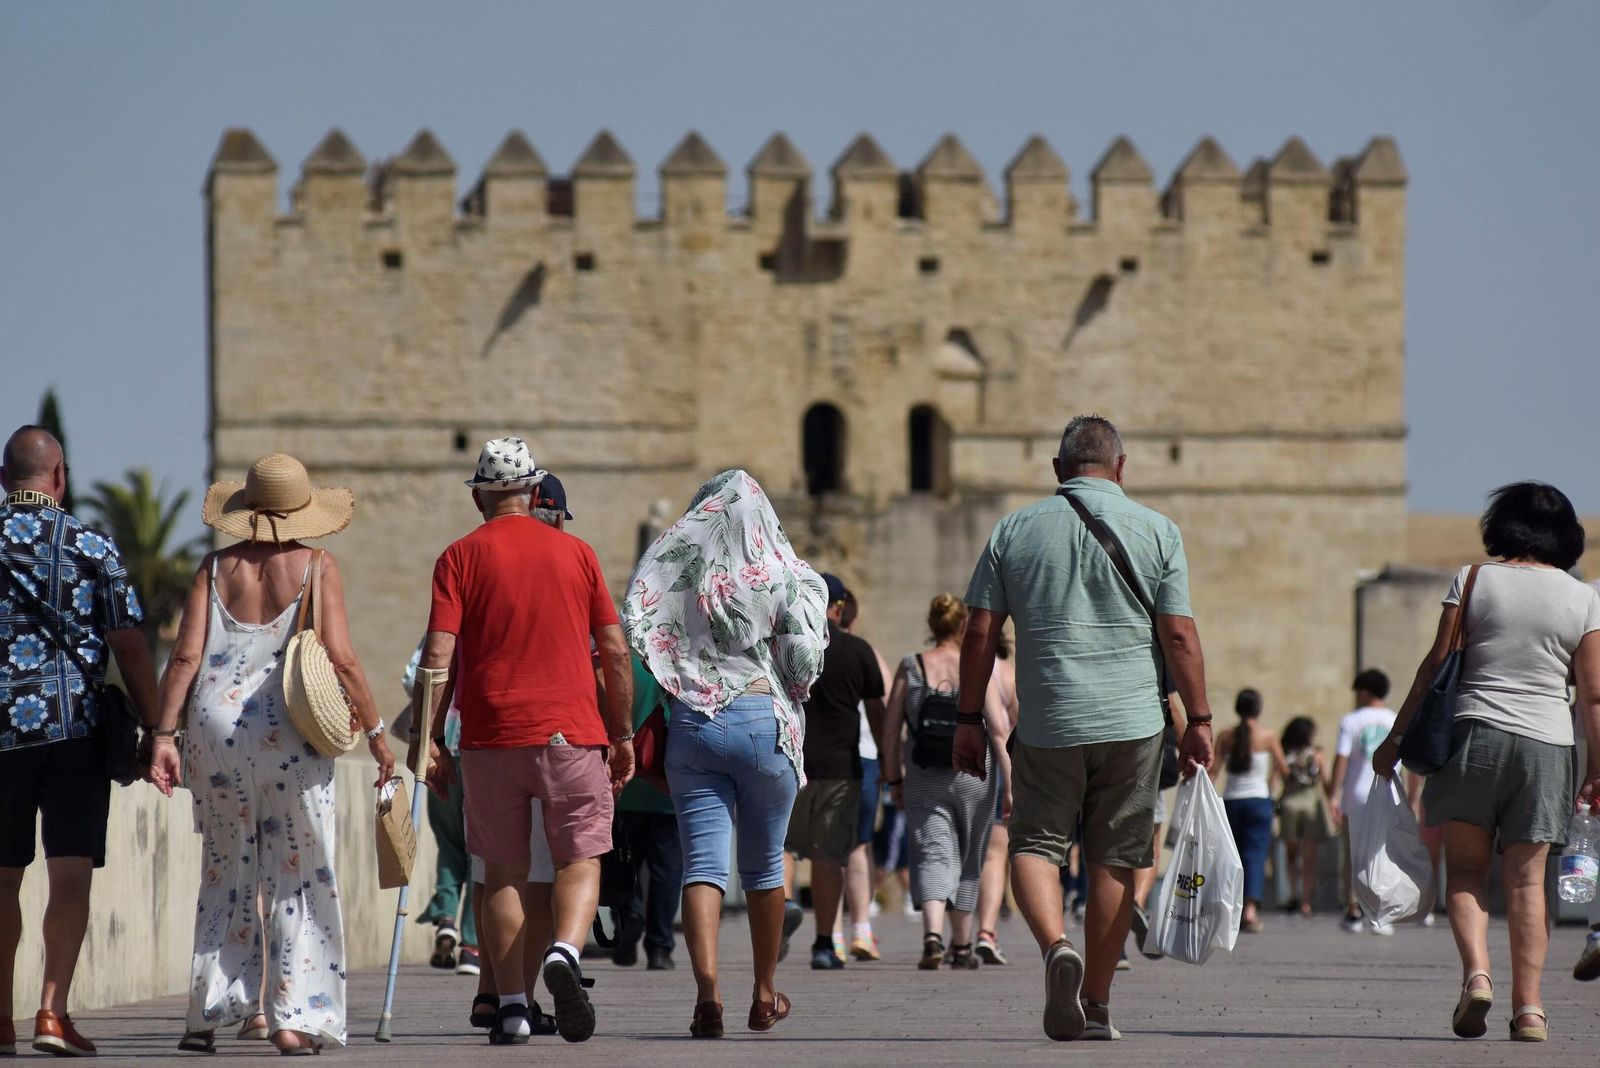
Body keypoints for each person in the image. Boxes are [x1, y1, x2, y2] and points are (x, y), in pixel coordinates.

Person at [955, 414, 1213, 1042]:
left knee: (1035, 845)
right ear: (1120, 469)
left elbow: (981, 633)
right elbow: (1177, 635)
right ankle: (1096, 1004)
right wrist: (1200, 719)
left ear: (1057, 470)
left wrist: (967, 719)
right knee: (1116, 861)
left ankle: (1054, 949)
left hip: (1049, 722)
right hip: (1134, 724)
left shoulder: (1013, 530)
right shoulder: (1158, 531)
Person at [144, 452, 394, 1055]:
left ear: (248, 509)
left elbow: (184, 657)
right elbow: (342, 656)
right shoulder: (317, 566)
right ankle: (291, 1016)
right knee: (298, 874)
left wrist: (162, 735)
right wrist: (379, 734)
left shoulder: (214, 567)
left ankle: (205, 1015)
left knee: (223, 869)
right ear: (302, 510)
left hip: (215, 730)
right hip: (289, 733)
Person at [421, 439, 634, 1046]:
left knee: (502, 870)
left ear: (481, 494)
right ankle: (565, 951)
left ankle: (512, 1006)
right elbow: (615, 650)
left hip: (489, 737)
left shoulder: (458, 556)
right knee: (578, 858)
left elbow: (440, 653)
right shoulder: (578, 554)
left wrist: (432, 737)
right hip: (572, 733)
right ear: (536, 491)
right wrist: (621, 733)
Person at [1374, 481, 1600, 1043]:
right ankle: (1530, 1011)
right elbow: (1594, 696)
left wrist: (1395, 738)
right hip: (1547, 747)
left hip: (1472, 736)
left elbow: (1434, 666)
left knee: (1469, 870)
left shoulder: (1473, 579)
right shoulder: (1585, 598)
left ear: (1502, 525)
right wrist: (1598, 770)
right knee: (1527, 883)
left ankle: (1477, 976)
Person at [623, 469, 828, 1038]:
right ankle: (764, 992)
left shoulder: (680, 576)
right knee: (764, 868)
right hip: (765, 721)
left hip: (694, 722)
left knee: (703, 867)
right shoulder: (785, 574)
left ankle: (707, 995)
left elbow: (639, 625)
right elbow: (804, 664)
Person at [0, 426, 160, 1058]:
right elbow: (129, 643)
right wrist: (159, 728)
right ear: (59, 476)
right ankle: (50, 1012)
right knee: (69, 876)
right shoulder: (90, 544)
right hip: (76, 727)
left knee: (2, 880)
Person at [880, 594, 1010, 970]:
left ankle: (933, 935)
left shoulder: (911, 665)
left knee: (932, 851)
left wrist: (893, 779)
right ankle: (962, 945)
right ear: (963, 626)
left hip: (923, 773)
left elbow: (890, 733)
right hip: (975, 773)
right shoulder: (977, 665)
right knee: (970, 855)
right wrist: (1012, 782)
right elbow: (999, 729)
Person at [785, 573, 886, 971]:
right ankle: (825, 942)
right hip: (841, 767)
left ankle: (784, 907)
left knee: (784, 848)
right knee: (830, 854)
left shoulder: (784, 645)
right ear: (839, 608)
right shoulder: (857, 651)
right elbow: (877, 713)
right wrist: (889, 764)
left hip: (791, 762)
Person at [613, 653, 683, 972]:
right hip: (668, 783)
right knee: (667, 867)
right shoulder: (677, 657)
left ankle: (629, 916)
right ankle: (660, 947)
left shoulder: (620, 656)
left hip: (625, 781)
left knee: (624, 862)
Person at [836, 591, 888, 963]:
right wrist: (889, 760)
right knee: (858, 846)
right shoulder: (865, 652)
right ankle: (861, 930)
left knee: (820, 848)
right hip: (865, 758)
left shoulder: (804, 648)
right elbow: (882, 704)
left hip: (820, 758)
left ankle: (832, 934)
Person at [1213, 689, 1288, 933]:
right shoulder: (1268, 736)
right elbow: (1284, 769)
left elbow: (1213, 771)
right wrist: (1272, 781)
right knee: (1254, 856)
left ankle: (1227, 910)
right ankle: (1250, 911)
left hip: (1232, 802)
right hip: (1259, 802)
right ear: (1258, 709)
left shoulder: (1226, 736)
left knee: (1230, 857)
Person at [1329, 669, 1396, 934]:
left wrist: (1333, 794)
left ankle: (1353, 909)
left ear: (1364, 692)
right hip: (1387, 793)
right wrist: (1413, 798)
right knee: (1382, 854)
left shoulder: (1351, 720)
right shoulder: (1395, 720)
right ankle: (1381, 912)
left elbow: (1342, 758)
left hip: (1355, 794)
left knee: (1353, 854)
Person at [974, 633, 1019, 965]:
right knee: (994, 856)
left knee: (961, 852)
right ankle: (985, 932)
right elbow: (1007, 728)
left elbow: (998, 729)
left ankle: (954, 934)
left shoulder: (978, 670)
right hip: (1000, 767)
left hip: (974, 766)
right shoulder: (1009, 674)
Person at [1277, 715, 1331, 918]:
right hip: (1311, 803)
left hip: (1290, 802)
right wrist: (1332, 803)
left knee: (1292, 855)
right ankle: (1306, 901)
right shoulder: (1316, 754)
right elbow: (1325, 782)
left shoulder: (1285, 753)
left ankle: (1293, 893)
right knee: (1309, 858)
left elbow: (1276, 780)